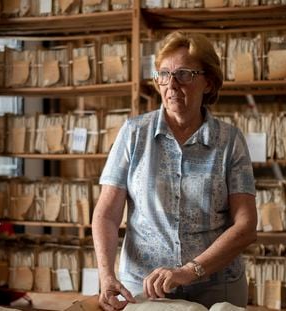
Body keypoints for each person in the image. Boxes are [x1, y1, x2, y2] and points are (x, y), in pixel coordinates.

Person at [92, 31, 257, 311]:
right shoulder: (134, 134)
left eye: (184, 74)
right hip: (144, 289)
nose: (171, 84)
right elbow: (107, 214)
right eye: (164, 74)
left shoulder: (229, 141)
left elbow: (246, 226)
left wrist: (190, 271)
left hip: (217, 289)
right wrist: (107, 276)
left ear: (209, 82)